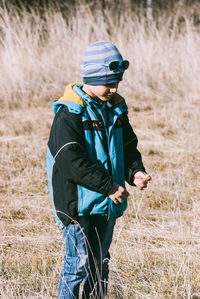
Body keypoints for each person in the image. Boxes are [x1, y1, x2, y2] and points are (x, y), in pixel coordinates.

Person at [47, 40, 151, 299]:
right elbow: (70, 160)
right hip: (76, 203)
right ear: (90, 78)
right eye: (108, 83)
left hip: (106, 203)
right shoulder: (70, 113)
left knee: (100, 262)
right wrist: (109, 186)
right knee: (78, 263)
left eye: (117, 82)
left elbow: (127, 148)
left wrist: (135, 172)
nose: (114, 88)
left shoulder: (115, 108)